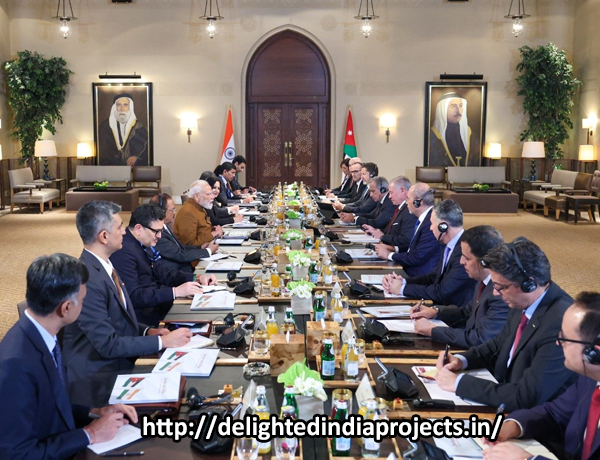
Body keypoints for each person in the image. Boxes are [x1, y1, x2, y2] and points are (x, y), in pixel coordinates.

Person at [0, 253, 138, 458]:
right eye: (82, 300)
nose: (84, 305)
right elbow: (16, 454)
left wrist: (95, 411)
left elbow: (50, 402)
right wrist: (90, 434)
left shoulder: (41, 332)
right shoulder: (16, 364)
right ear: (66, 308)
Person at [63, 201, 193, 407]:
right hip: (100, 379)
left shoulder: (104, 265)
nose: (125, 231)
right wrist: (162, 342)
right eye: (119, 227)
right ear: (104, 236)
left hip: (119, 361)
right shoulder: (87, 280)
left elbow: (118, 318)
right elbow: (108, 345)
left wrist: (148, 331)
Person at [435, 237, 577, 412]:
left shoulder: (562, 323)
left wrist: (459, 383)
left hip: (536, 420)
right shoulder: (522, 301)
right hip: (507, 398)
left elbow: (526, 396)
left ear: (529, 284)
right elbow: (497, 345)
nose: (495, 293)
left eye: (500, 287)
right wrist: (462, 360)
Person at [483, 292, 600, 460]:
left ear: (593, 353)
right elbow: (553, 414)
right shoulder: (589, 379)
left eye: (564, 338)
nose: (558, 342)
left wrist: (527, 459)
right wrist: (512, 426)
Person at [111, 204, 216, 325]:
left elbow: (163, 273)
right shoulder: (124, 252)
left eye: (161, 231)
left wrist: (196, 278)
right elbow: (134, 296)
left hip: (159, 303)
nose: (159, 236)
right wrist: (175, 292)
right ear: (138, 228)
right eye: (156, 231)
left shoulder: (144, 241)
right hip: (145, 318)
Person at [411, 225, 509, 348]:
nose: (461, 261)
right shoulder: (482, 281)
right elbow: (465, 313)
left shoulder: (500, 293)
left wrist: (433, 330)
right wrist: (435, 312)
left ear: (485, 262)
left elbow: (480, 338)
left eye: (467, 258)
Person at [382, 199, 476, 306]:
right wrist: (404, 281)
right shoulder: (449, 244)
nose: (430, 228)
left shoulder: (465, 252)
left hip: (453, 311)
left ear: (443, 227)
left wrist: (402, 289)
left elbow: (441, 292)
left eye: (432, 224)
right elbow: (434, 276)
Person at [375, 183, 440, 276]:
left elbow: (417, 256)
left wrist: (388, 255)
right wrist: (394, 249)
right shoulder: (425, 218)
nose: (406, 202)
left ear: (418, 202)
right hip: (412, 270)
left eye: (408, 199)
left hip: (419, 276)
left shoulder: (431, 223)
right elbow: (414, 248)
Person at [151, 193, 219, 273]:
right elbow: (180, 255)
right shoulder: (157, 234)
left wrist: (200, 247)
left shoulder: (165, 226)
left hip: (185, 271)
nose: (174, 213)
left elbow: (180, 248)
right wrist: (208, 251)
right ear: (161, 211)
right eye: (172, 210)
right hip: (179, 274)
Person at [363, 176, 417, 253]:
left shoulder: (409, 211)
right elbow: (392, 232)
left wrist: (382, 237)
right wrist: (375, 231)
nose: (389, 196)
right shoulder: (400, 208)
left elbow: (405, 240)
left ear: (402, 191)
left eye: (391, 193)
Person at [429, 92, 480, 167]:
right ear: (443, 109)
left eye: (460, 106)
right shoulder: (433, 135)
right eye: (454, 106)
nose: (458, 111)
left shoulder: (470, 134)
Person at [98, 93, 148, 166]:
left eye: (125, 105)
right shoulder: (105, 126)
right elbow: (103, 150)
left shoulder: (139, 127)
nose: (122, 109)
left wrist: (135, 156)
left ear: (130, 107)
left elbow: (144, 148)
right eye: (119, 105)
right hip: (111, 167)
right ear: (114, 107)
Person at [174, 180, 223, 247]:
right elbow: (189, 244)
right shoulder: (188, 212)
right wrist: (213, 234)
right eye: (208, 194)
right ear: (197, 197)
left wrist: (212, 229)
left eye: (211, 193)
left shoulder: (199, 207)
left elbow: (200, 231)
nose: (212, 197)